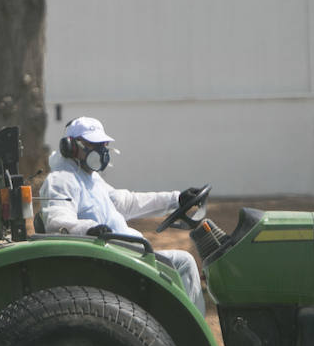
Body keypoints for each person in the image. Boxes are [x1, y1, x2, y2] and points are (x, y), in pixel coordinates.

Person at [40, 116, 206, 311]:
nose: (101, 151)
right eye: (94, 145)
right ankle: (191, 335)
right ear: (71, 147)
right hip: (111, 262)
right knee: (183, 262)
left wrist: (176, 199)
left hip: (125, 254)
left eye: (103, 145)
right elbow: (57, 221)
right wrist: (89, 229)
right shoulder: (61, 180)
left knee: (180, 262)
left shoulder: (91, 179)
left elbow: (127, 202)